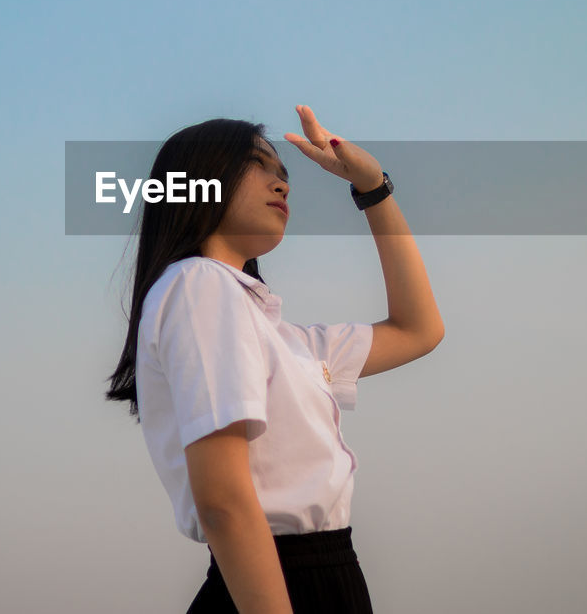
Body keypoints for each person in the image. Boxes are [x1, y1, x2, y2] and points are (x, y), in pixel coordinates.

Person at [106, 104, 444, 613]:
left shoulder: (285, 340)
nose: (281, 183)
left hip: (325, 576)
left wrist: (372, 187)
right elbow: (222, 502)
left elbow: (418, 329)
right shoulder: (200, 284)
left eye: (284, 173)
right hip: (279, 585)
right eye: (258, 164)